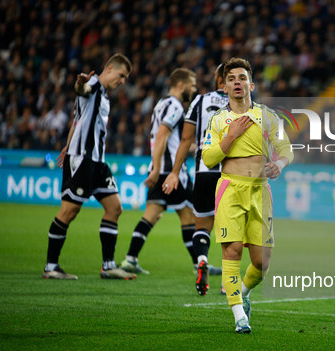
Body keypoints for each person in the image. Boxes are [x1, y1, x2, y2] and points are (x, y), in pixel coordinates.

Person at [201, 57, 293, 333]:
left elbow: (286, 148)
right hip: (230, 188)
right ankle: (239, 316)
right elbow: (208, 158)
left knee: (262, 262)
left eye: (241, 78)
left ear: (251, 84)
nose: (237, 82)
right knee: (232, 250)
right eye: (231, 79)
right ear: (225, 87)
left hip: (260, 191)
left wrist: (279, 163)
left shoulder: (268, 117)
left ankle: (243, 292)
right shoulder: (218, 120)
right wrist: (230, 136)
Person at [42, 53, 135, 280]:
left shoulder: (104, 96)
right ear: (110, 68)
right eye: (121, 75)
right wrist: (80, 83)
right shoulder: (93, 83)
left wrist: (67, 143)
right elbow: (82, 90)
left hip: (98, 161)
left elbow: (77, 118)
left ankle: (108, 265)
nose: (122, 81)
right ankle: (51, 267)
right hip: (82, 159)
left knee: (115, 208)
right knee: (69, 211)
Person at [120, 68, 198, 275]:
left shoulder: (160, 104)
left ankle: (130, 259)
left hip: (159, 168)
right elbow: (163, 135)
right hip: (172, 172)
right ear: (181, 85)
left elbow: (163, 137)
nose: (194, 88)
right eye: (192, 84)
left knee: (151, 216)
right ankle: (199, 264)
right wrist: (157, 168)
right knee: (189, 217)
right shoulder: (175, 106)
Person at [163, 64, 229, 294]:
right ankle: (226, 282)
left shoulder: (200, 102)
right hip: (231, 172)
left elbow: (185, 140)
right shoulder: (242, 102)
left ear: (219, 79)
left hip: (204, 171)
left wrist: (174, 172)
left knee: (202, 225)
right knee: (230, 228)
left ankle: (201, 258)